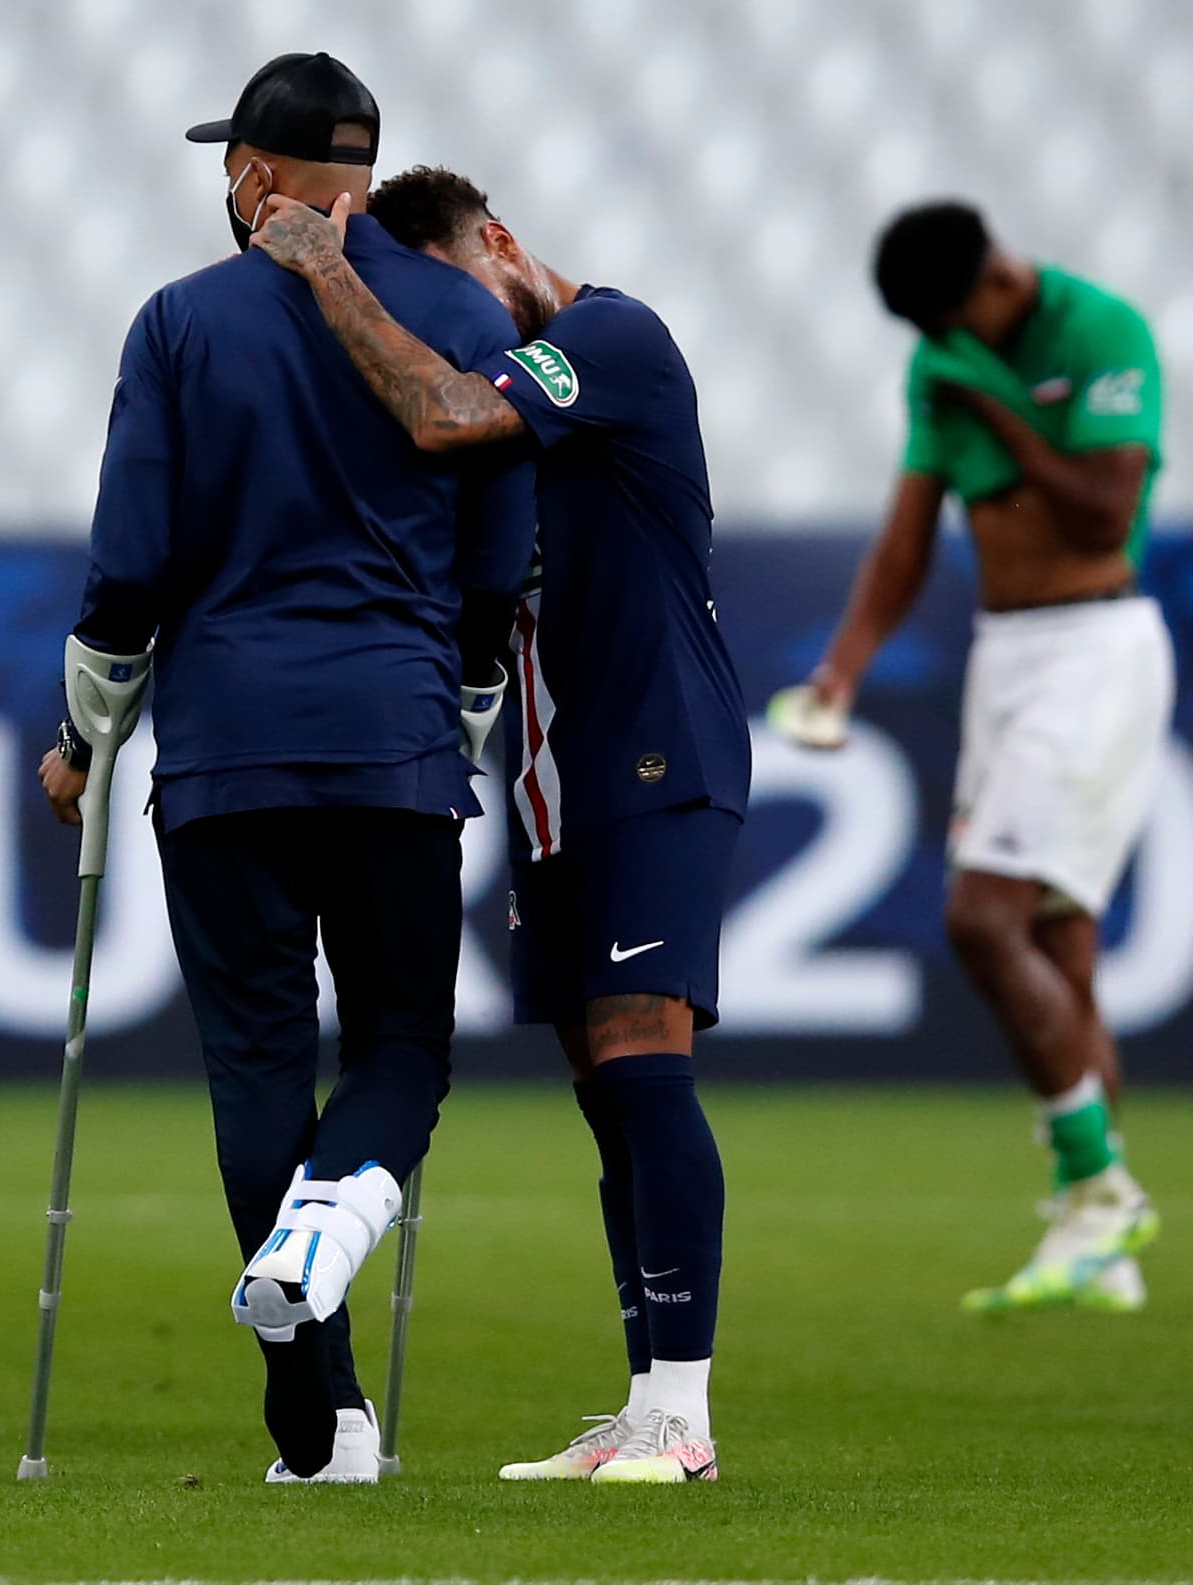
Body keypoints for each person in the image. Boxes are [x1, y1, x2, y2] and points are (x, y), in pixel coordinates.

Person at [37, 57, 534, 1482]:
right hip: (391, 741)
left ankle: (319, 1419)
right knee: (400, 1053)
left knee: (256, 1063)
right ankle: (326, 1317)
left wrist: (82, 737)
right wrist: (470, 705)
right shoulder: (460, 315)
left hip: (226, 754)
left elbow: (128, 563)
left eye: (229, 166)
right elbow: (499, 567)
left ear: (258, 177)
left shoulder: (182, 323)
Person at [252, 167, 751, 1484]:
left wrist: (325, 265)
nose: (468, 331)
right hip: (555, 773)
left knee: (649, 1061)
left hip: (651, 747)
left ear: (503, 246)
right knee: (607, 1091)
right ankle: (645, 1405)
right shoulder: (524, 382)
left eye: (464, 296)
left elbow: (444, 409)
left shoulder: (608, 338)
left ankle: (686, 1417)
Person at [802, 201, 1171, 1312]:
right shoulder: (943, 353)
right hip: (1004, 659)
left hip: (1094, 645)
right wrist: (841, 670)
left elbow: (1105, 516)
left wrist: (1004, 418)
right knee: (1056, 943)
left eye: (949, 322)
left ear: (995, 282)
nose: (939, 346)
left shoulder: (1097, 332)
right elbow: (908, 534)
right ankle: (1098, 1240)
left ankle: (1096, 1187)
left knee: (980, 916)